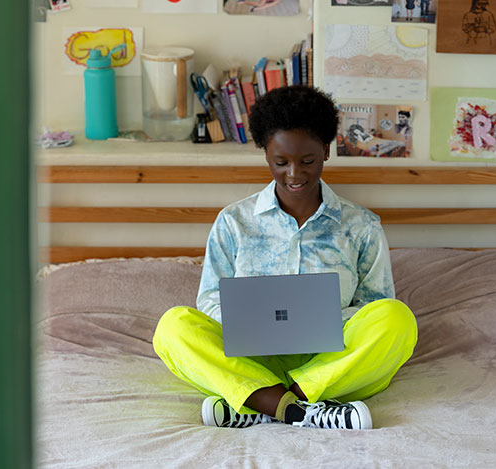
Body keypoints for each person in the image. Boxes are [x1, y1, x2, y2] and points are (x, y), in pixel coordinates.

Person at [152, 86, 418, 430]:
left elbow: (375, 305)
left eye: (307, 161)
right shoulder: (233, 223)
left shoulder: (361, 227)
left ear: (325, 151)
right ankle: (301, 410)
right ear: (266, 155)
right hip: (248, 358)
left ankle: (258, 402)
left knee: (397, 320)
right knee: (173, 327)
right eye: (281, 162)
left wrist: (326, 321)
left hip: (330, 361)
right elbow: (209, 300)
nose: (294, 173)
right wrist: (248, 323)